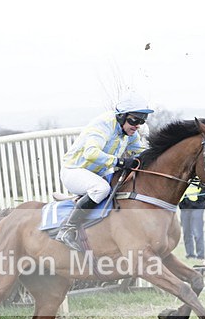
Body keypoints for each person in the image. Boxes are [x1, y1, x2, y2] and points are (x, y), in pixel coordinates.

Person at [55, 91, 153, 251]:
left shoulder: (130, 133)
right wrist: (120, 162)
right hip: (73, 170)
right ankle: (67, 229)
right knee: (101, 188)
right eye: (134, 120)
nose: (137, 125)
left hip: (97, 174)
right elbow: (91, 153)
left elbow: (141, 152)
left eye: (142, 121)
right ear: (121, 116)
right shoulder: (103, 125)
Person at [179, 181, 205, 263]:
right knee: (186, 232)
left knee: (197, 232)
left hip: (197, 207)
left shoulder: (200, 177)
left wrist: (198, 200)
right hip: (184, 207)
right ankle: (190, 255)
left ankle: (200, 256)